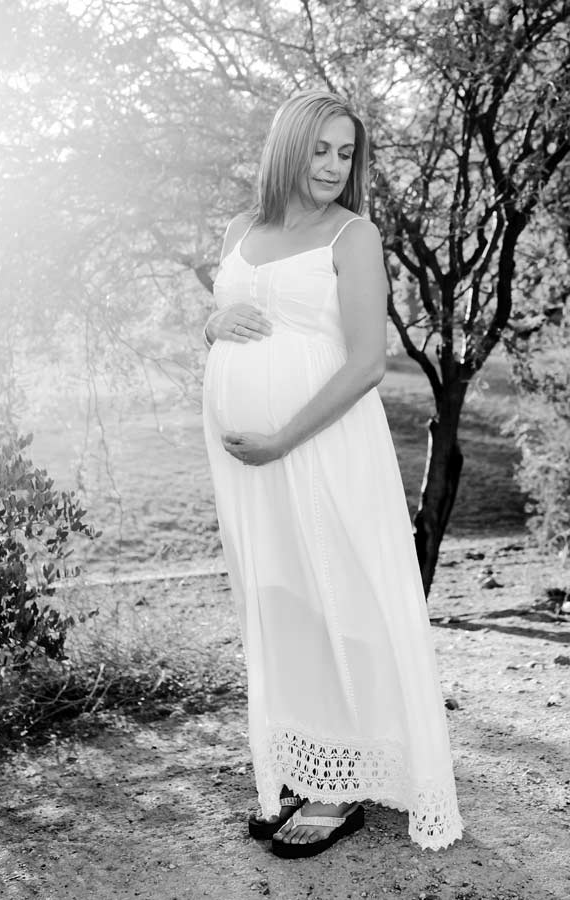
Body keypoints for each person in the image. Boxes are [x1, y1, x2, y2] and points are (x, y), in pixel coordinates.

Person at [201, 89, 463, 858]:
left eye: (346, 153)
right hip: (248, 464)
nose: (333, 166)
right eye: (321, 148)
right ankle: (304, 761)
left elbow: (366, 363)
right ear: (288, 146)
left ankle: (343, 783)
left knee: (335, 592)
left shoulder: (354, 235)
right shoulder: (241, 228)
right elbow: (228, 316)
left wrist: (284, 436)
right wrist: (212, 324)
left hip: (319, 445)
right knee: (279, 599)